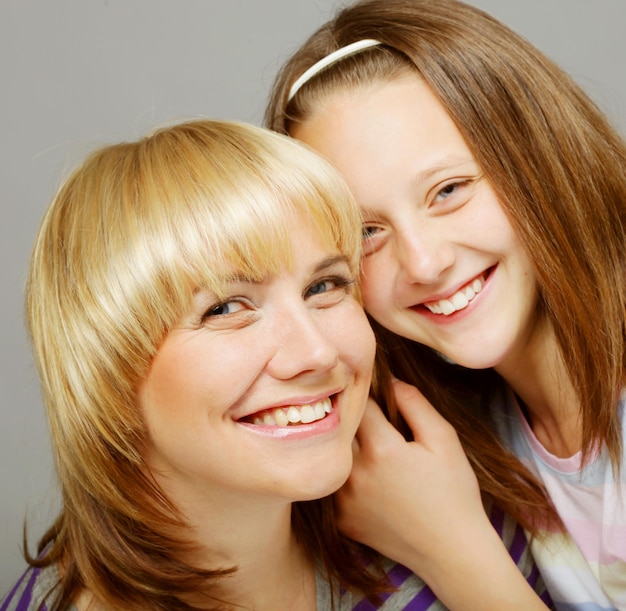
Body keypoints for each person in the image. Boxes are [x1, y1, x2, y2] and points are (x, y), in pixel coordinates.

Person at [265, 0, 626, 609]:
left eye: (449, 190)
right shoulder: (469, 434)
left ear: (540, 156)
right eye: (366, 233)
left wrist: (450, 547)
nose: (425, 263)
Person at [1, 118, 395, 611]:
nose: (316, 353)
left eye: (324, 286)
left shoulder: (424, 541)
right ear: (105, 374)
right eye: (226, 308)